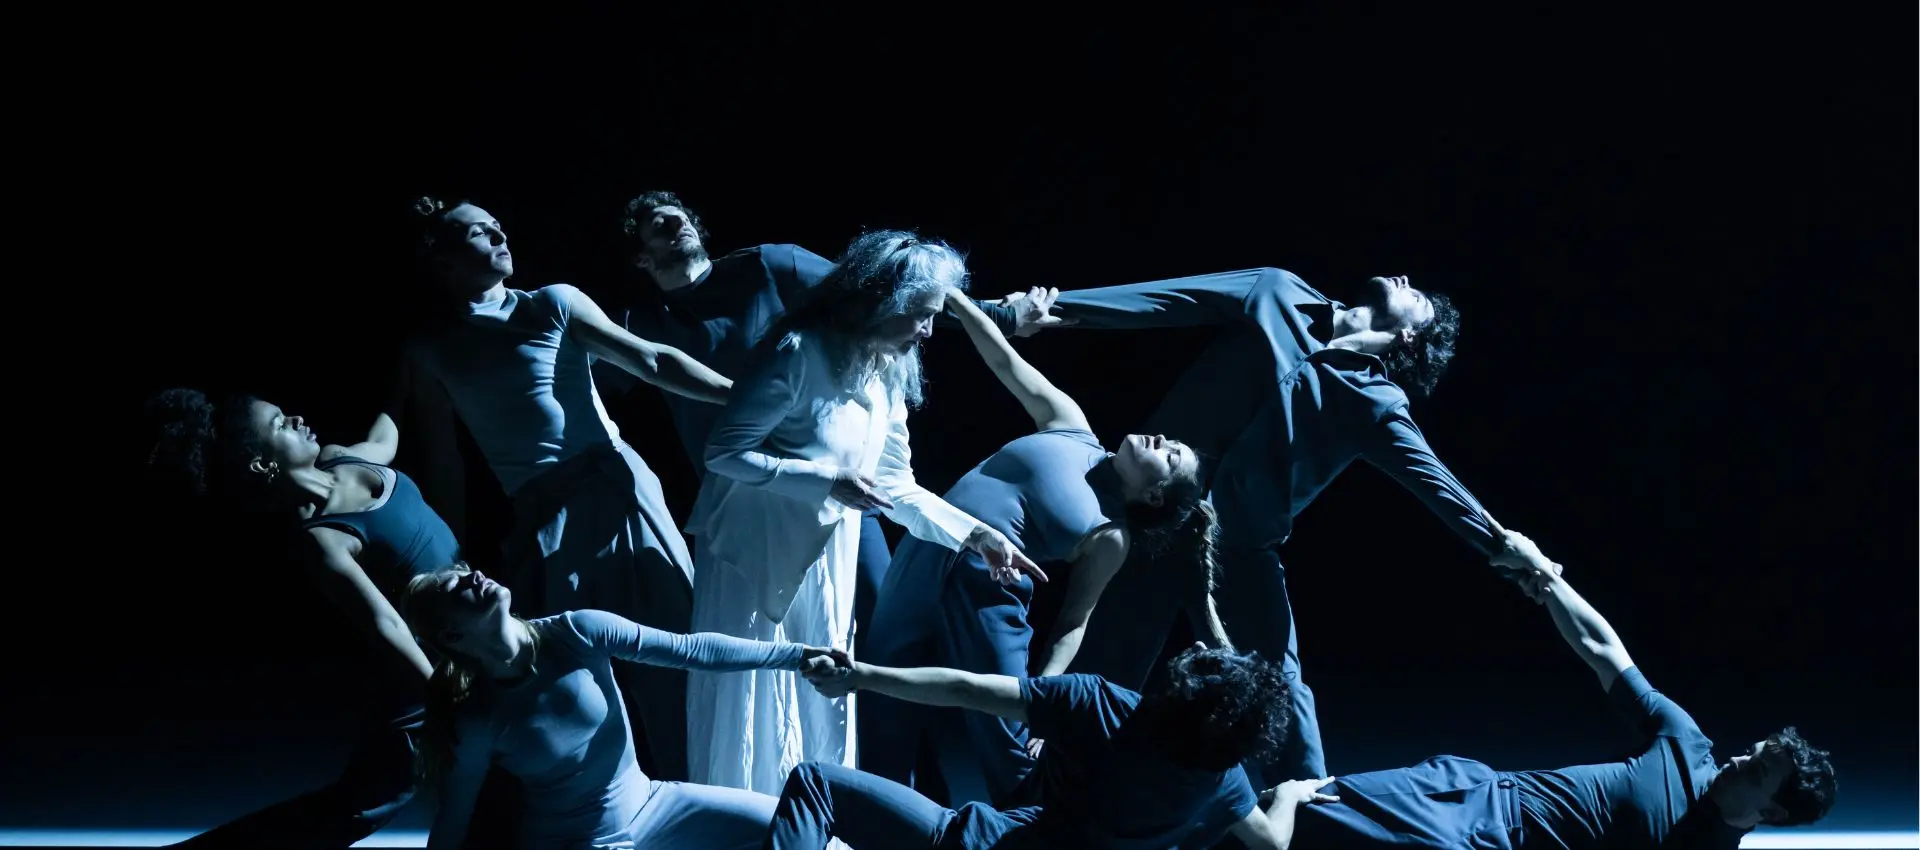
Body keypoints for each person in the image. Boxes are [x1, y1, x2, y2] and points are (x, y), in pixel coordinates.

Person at [1002, 268, 1502, 787]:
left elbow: (1438, 484)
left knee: (1281, 693)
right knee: (1095, 678)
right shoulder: (1277, 291)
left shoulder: (1374, 401)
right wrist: (1036, 313)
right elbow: (1164, 300)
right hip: (1154, 520)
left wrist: (1508, 549)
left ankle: (1309, 820)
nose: (1403, 277)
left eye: (1416, 294)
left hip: (1238, 553)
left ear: (1410, 336)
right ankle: (1034, 810)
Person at [605, 191, 1047, 660]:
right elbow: (582, 376)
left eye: (681, 218)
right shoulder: (644, 325)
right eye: (661, 226)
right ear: (641, 258)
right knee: (774, 660)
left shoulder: (771, 268)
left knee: (872, 633)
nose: (679, 227)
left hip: (841, 486)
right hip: (753, 508)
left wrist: (1002, 318)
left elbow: (893, 288)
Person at [683, 229, 1047, 796]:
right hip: (756, 552)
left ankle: (814, 819)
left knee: (820, 694)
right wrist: (824, 480)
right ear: (882, 299)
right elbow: (724, 453)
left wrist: (978, 536)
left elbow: (896, 484)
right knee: (757, 699)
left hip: (826, 553)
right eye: (922, 314)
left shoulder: (885, 371)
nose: (929, 330)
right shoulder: (798, 352)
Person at [400, 196, 732, 782]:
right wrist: (451, 555)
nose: (500, 234)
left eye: (498, 223)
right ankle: (614, 812)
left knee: (673, 655)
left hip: (615, 493)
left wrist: (743, 396)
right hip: (538, 514)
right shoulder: (430, 352)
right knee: (572, 679)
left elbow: (652, 360)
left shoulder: (552, 303)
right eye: (480, 232)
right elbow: (443, 458)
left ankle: (708, 793)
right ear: (445, 262)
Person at [859, 288, 1232, 807]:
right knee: (882, 696)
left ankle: (1036, 833)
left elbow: (1073, 623)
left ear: (1154, 494)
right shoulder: (1071, 426)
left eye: (1171, 458)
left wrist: (1045, 697)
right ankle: (880, 823)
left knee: (1008, 741)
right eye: (1170, 441)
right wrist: (956, 300)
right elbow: (1003, 359)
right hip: (923, 553)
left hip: (988, 592)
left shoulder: (1111, 534)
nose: (1161, 440)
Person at [1286, 519, 1839, 849]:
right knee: (1302, 805)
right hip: (1472, 788)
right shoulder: (1685, 743)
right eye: (1753, 752)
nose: (1739, 760)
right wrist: (1546, 579)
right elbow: (1603, 651)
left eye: (1757, 771)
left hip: (1472, 843)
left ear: (1772, 813)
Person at [144, 387, 458, 848]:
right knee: (361, 804)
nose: (295, 416)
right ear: (263, 465)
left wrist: (406, 373)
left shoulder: (337, 457)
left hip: (468, 632)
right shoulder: (324, 539)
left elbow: (384, 440)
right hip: (426, 673)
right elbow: (387, 625)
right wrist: (447, 695)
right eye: (279, 424)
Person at [398, 563, 847, 850]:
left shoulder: (576, 632)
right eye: (455, 588)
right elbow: (454, 817)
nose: (473, 575)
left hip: (655, 802)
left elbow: (691, 651)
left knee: (807, 829)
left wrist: (798, 655)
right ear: (452, 638)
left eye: (465, 569)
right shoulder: (478, 717)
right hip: (576, 843)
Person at [763, 644, 1326, 850]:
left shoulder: (1101, 706)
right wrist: (1294, 794)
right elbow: (1273, 842)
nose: (1201, 644)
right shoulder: (1218, 775)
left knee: (816, 784)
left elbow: (965, 689)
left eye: (1209, 658)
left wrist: (859, 675)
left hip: (986, 844)